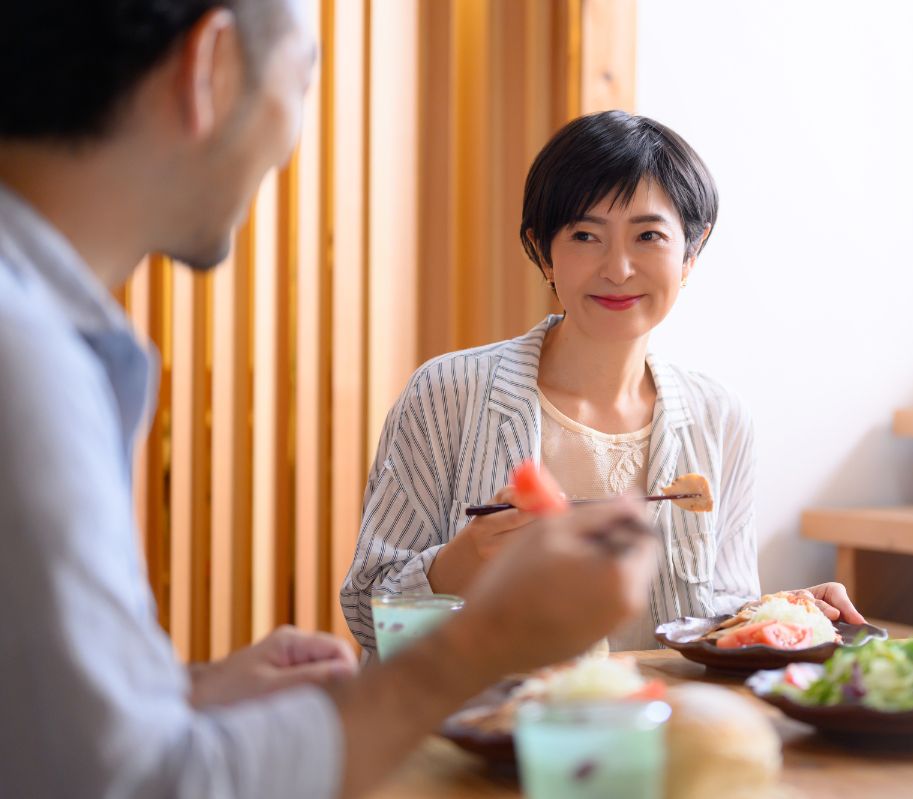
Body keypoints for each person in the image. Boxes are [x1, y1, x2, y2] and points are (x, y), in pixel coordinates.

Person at [0, 2, 657, 797]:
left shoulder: (40, 334)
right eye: (304, 75)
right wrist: (479, 643)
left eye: (649, 235)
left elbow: (50, 743)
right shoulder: (24, 359)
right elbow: (143, 786)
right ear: (211, 67)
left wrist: (177, 691)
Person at [342, 110, 864, 656]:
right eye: (585, 235)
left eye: (649, 236)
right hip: (489, 727)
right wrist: (468, 557)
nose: (617, 268)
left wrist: (788, 614)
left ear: (691, 251)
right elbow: (367, 614)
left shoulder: (721, 418)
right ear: (543, 251)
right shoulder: (447, 393)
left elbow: (718, 616)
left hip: (654, 727)